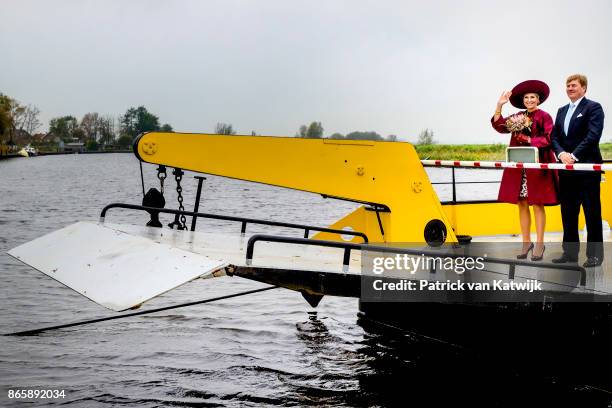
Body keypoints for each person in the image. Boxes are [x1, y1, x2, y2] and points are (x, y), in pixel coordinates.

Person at [491, 80, 558, 261]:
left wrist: (529, 140)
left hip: (536, 167)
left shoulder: (545, 116)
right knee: (521, 203)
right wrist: (499, 105)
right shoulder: (517, 116)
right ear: (523, 101)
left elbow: (549, 139)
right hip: (518, 167)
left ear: (538, 99)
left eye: (533, 97)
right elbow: (499, 126)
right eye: (527, 97)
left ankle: (540, 243)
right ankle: (526, 241)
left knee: (537, 204)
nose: (529, 100)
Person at [551, 74, 605, 267]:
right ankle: (570, 253)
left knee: (592, 213)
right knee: (568, 213)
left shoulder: (593, 107)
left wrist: (573, 156)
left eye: (573, 85)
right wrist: (561, 154)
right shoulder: (561, 110)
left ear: (584, 88)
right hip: (566, 172)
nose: (569, 88)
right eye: (567, 85)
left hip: (587, 170)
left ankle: (595, 256)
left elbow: (593, 136)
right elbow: (554, 137)